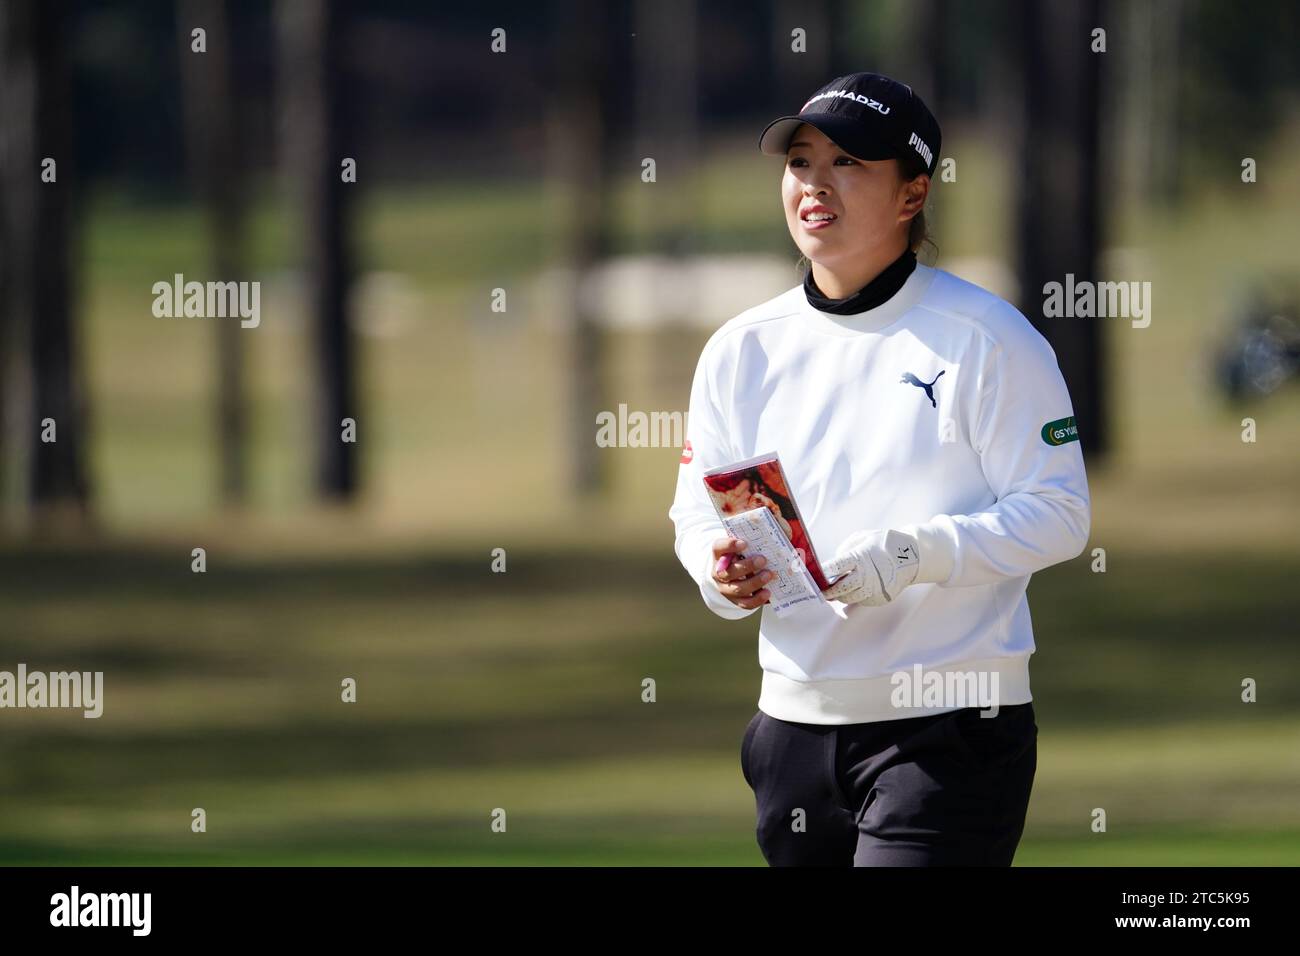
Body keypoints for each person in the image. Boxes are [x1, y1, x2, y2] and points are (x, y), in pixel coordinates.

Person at [666, 72, 1091, 866]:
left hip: (950, 735)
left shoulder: (988, 337)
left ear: (912, 193)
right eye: (800, 161)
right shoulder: (740, 348)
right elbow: (697, 511)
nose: (814, 185)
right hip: (792, 729)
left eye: (849, 163)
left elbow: (1060, 513)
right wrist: (718, 573)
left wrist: (912, 555)